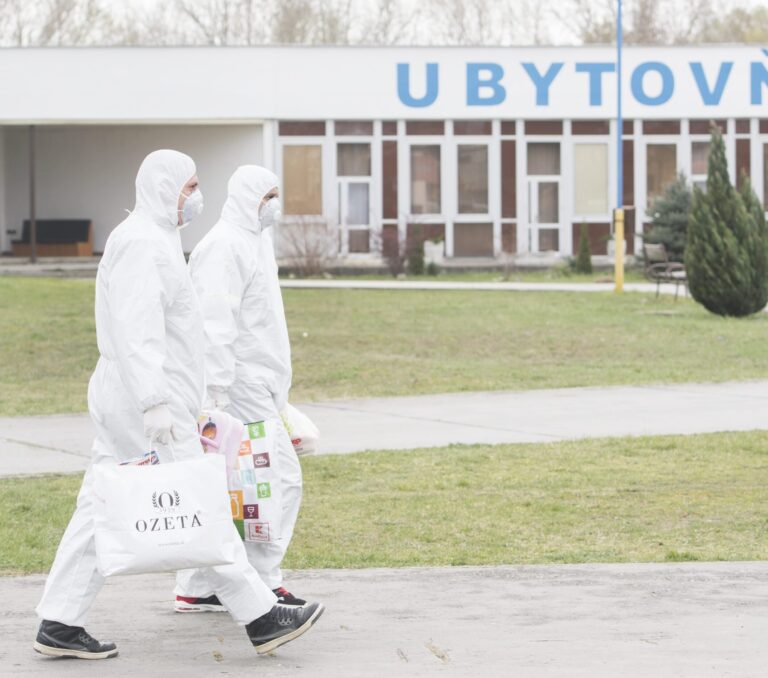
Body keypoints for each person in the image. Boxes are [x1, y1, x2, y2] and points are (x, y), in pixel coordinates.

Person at [33, 150, 323, 660]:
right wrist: (155, 401)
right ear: (163, 188)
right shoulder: (142, 244)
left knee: (99, 507)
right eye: (189, 187)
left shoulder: (155, 238)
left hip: (145, 401)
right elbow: (137, 328)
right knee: (200, 502)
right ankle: (260, 616)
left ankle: (59, 620)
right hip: (149, 406)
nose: (196, 197)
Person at [174, 165, 305, 612]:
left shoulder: (254, 241)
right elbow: (215, 323)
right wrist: (215, 394)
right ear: (248, 198)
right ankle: (264, 580)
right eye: (267, 196)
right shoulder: (224, 246)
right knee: (277, 480)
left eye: (276, 195)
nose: (274, 205)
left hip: (258, 385)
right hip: (237, 387)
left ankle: (199, 585)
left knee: (234, 485)